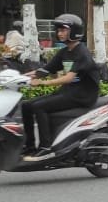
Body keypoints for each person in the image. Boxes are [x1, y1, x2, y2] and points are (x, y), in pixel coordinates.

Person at [20, 14, 101, 160]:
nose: (59, 33)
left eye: (63, 30)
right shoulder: (64, 52)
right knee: (26, 106)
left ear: (74, 32)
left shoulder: (82, 53)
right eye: (58, 30)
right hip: (68, 92)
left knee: (39, 107)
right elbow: (45, 70)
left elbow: (69, 78)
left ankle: (45, 147)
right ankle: (29, 146)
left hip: (82, 96)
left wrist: (42, 83)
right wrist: (20, 77)